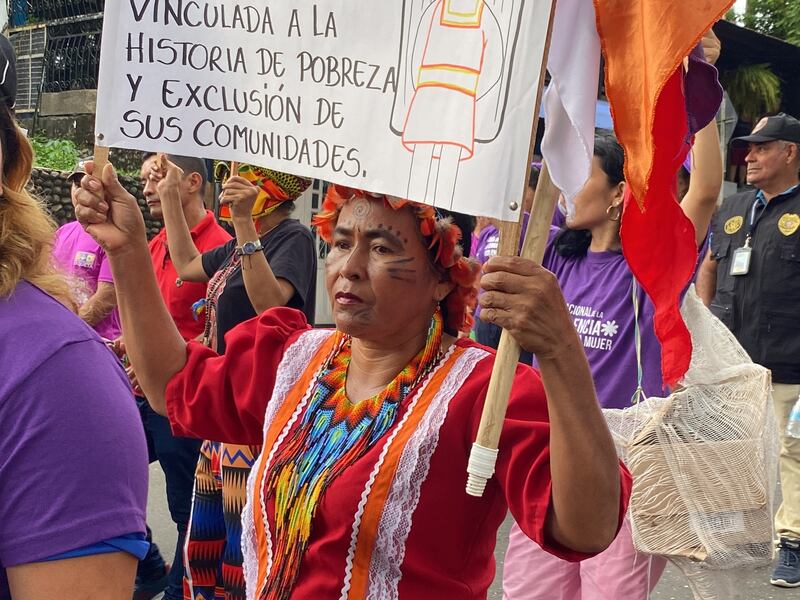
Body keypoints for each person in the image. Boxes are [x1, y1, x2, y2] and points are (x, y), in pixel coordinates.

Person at [75, 162, 631, 599]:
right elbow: (173, 384)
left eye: (383, 248)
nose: (351, 266)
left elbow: (585, 529)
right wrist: (125, 252)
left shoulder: (485, 392)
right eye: (342, 243)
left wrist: (559, 352)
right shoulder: (293, 358)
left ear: (443, 280)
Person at [503, 116, 722, 597]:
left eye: (581, 177)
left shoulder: (653, 264)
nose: (566, 190)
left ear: (618, 193)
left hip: (628, 461)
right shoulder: (558, 254)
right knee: (530, 591)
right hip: (552, 450)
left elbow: (704, 191)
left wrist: (705, 90)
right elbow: (514, 189)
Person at [0, 34, 148, 598]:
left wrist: (73, 328)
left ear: (10, 158)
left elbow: (108, 296)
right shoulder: (63, 235)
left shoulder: (54, 378)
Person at [149, 158, 316, 599]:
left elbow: (273, 309)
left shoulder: (291, 238)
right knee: (206, 544)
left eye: (245, 176)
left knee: (242, 554)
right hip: (223, 419)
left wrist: (243, 225)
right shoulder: (250, 241)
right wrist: (169, 197)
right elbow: (186, 265)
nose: (230, 183)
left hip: (257, 421)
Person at [697, 112, 800, 588]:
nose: (750, 156)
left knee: (792, 452)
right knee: (734, 449)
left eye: (762, 147)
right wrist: (703, 328)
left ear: (790, 153)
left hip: (790, 362)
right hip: (733, 361)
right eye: (749, 148)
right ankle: (739, 534)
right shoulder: (733, 207)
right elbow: (711, 269)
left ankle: (793, 544)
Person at [131, 152, 232, 600]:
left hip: (187, 405)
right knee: (109, 470)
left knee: (187, 508)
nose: (147, 189)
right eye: (144, 180)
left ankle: (179, 587)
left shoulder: (223, 246)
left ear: (192, 182)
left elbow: (224, 334)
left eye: (156, 178)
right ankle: (151, 562)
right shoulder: (153, 247)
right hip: (142, 396)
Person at [51, 158, 121, 340]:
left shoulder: (114, 235)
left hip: (98, 343)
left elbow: (107, 298)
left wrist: (65, 330)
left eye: (90, 183)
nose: (82, 190)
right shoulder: (62, 232)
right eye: (76, 183)